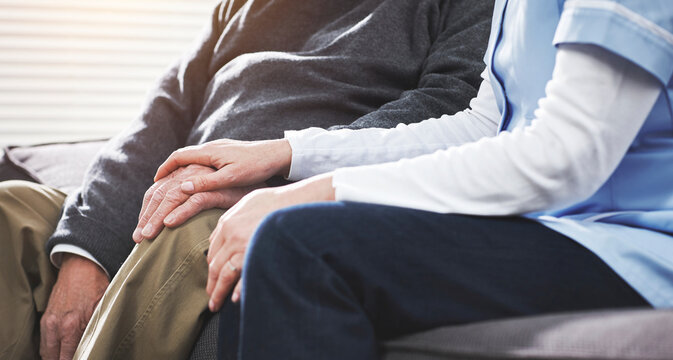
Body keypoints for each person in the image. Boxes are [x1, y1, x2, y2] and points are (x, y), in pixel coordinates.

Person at [125, 0, 673, 358]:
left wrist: (310, 194)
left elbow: (566, 157)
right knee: (271, 246)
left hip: (631, 243)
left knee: (297, 245)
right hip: (555, 227)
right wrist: (287, 155)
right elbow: (483, 124)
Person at [0, 0, 494, 359]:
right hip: (179, 190)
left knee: (198, 221)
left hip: (284, 191)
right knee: (11, 208)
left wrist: (281, 170)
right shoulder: (239, 8)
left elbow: (452, 106)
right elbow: (156, 120)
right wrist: (84, 252)